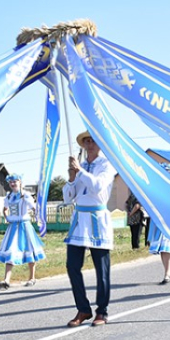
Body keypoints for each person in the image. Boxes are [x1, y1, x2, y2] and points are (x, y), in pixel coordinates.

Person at [63, 131, 117, 327]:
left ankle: (102, 311)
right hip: (79, 220)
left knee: (101, 269)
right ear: (83, 145)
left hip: (97, 219)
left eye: (93, 140)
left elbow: (97, 186)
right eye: (87, 141)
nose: (90, 144)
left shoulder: (106, 164)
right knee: (72, 266)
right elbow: (69, 197)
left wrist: (80, 172)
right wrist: (71, 178)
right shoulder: (81, 166)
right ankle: (83, 309)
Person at [0, 174, 45, 288]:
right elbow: (5, 209)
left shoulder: (25, 195)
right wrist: (7, 218)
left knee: (29, 250)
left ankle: (32, 277)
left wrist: (38, 216)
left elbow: (34, 207)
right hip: (13, 227)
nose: (12, 184)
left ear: (20, 182)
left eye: (15, 181)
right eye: (10, 182)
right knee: (10, 250)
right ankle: (6, 280)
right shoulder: (9, 196)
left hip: (24, 225)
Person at [147, 218, 170, 285]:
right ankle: (167, 272)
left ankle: (167, 273)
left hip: (169, 219)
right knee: (162, 247)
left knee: (166, 245)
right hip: (158, 219)